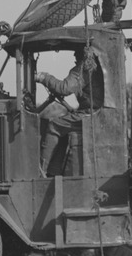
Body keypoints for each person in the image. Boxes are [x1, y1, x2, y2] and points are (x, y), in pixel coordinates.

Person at [34, 47, 105, 176]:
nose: (74, 58)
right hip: (93, 113)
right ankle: (53, 172)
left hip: (88, 115)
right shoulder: (96, 68)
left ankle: (40, 171)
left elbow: (64, 88)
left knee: (53, 126)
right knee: (63, 127)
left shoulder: (84, 68)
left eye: (76, 55)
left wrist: (44, 77)